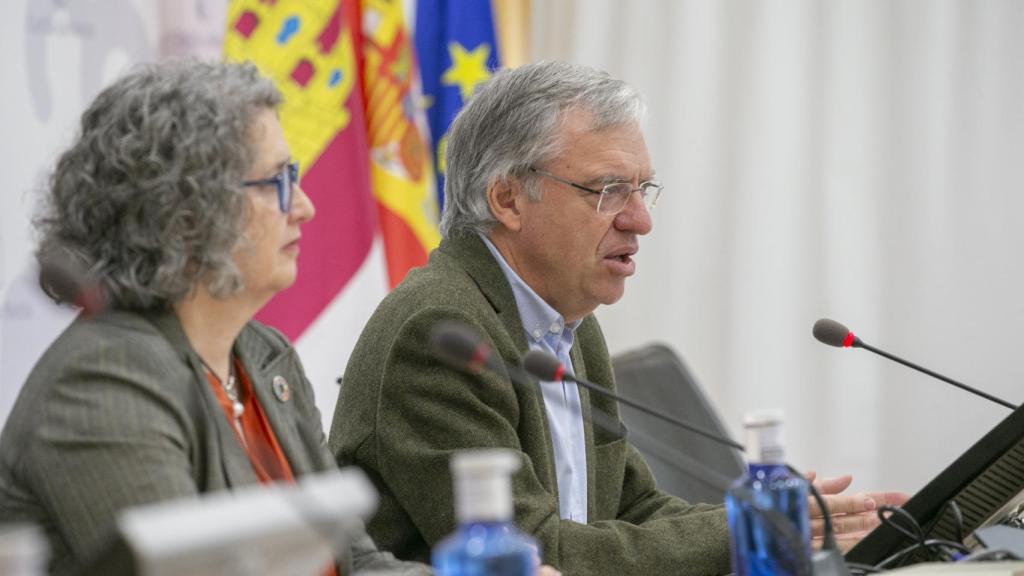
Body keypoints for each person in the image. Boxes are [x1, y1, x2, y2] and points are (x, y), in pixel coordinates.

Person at [330, 61, 905, 573]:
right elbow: (536, 553)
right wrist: (747, 531)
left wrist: (778, 530)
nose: (640, 220)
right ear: (507, 199)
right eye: (608, 190)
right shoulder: (440, 333)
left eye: (641, 189)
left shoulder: (567, 323)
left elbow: (633, 507)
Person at [0, 59, 429, 576]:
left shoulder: (265, 356)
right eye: (275, 182)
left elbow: (353, 562)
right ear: (182, 212)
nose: (304, 207)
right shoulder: (102, 382)